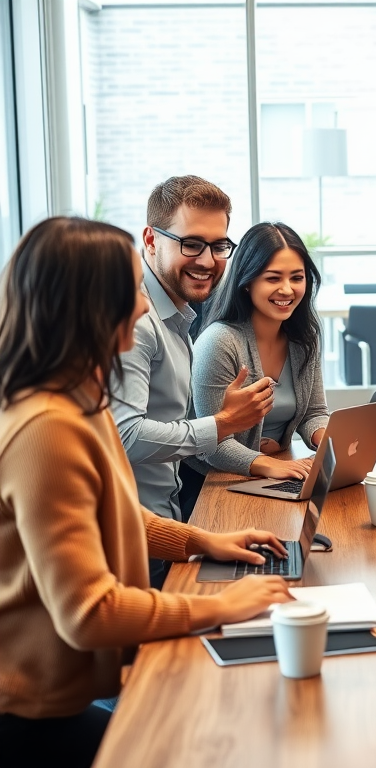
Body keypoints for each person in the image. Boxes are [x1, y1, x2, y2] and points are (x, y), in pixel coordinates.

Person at [0, 217, 292, 768]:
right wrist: (219, 607)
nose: (140, 306)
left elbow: (112, 513)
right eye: (129, 291)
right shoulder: (46, 427)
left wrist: (202, 541)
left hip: (61, 698)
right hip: (29, 715)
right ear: (89, 306)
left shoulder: (79, 397)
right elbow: (89, 613)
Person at [110, 176, 273, 585]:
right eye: (191, 244)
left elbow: (168, 424)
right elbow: (124, 436)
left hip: (162, 528)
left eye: (219, 246)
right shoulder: (138, 321)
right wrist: (223, 424)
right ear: (151, 240)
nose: (207, 260)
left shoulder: (180, 319)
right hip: (127, 542)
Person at [192, 222, 329, 479]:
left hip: (279, 470)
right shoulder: (219, 342)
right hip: (219, 481)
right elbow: (211, 442)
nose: (287, 289)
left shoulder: (305, 338)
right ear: (247, 282)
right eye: (273, 278)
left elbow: (314, 412)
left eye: (297, 278)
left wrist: (330, 444)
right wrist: (267, 463)